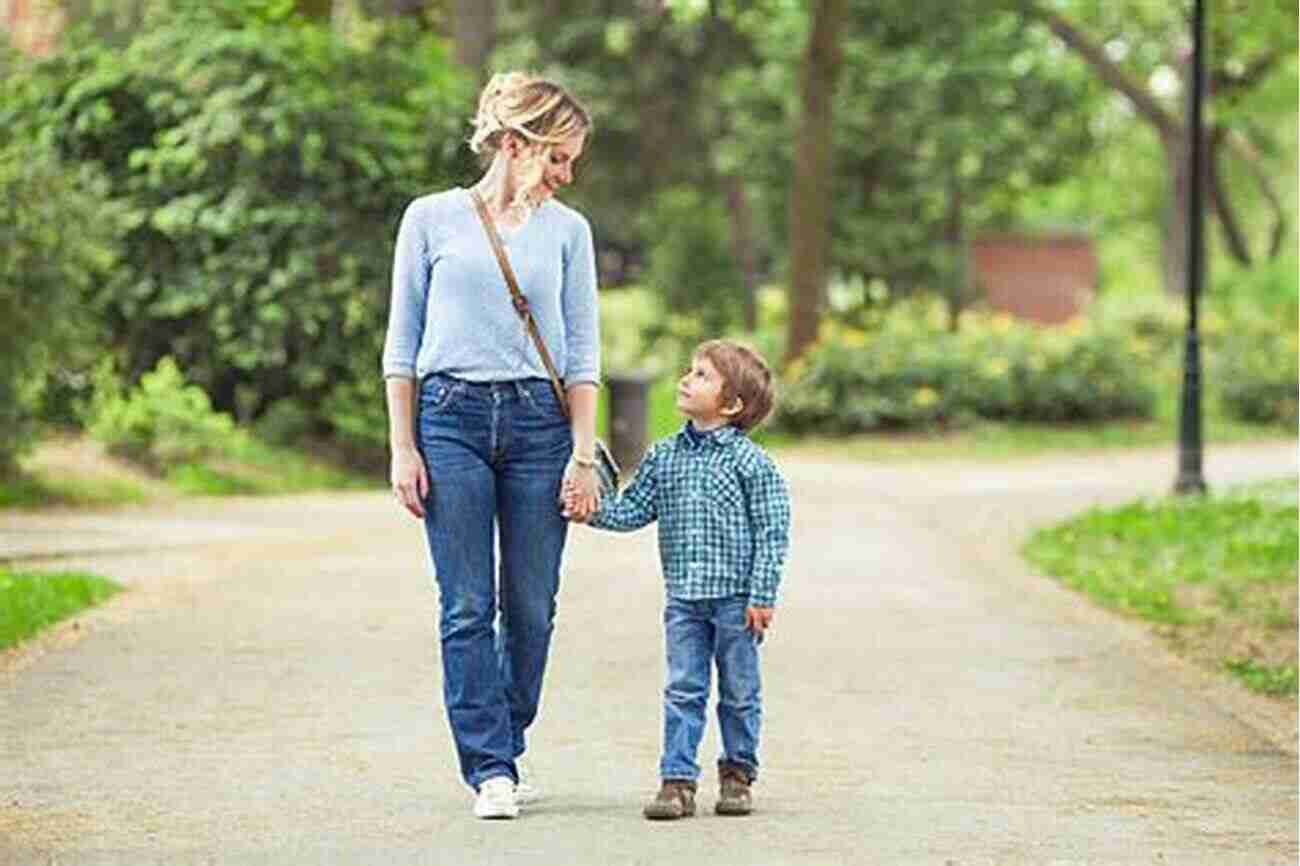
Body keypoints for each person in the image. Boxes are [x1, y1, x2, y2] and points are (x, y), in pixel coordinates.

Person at [382, 71, 601, 820]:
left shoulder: (569, 232)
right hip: (450, 420)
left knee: (532, 606)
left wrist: (581, 452)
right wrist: (401, 448)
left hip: (540, 426)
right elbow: (401, 346)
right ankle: (491, 767)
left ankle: (504, 734)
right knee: (466, 603)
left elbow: (582, 355)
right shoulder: (430, 219)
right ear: (515, 144)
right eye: (557, 158)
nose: (566, 176)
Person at [565, 339, 791, 820]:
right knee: (683, 689)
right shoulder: (663, 456)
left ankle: (737, 775)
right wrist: (590, 509)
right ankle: (677, 781)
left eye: (702, 375)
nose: (686, 380)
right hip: (684, 601)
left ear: (732, 405)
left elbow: (773, 534)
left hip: (736, 602)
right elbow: (632, 511)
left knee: (739, 692)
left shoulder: (752, 465)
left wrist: (763, 595)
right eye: (690, 371)